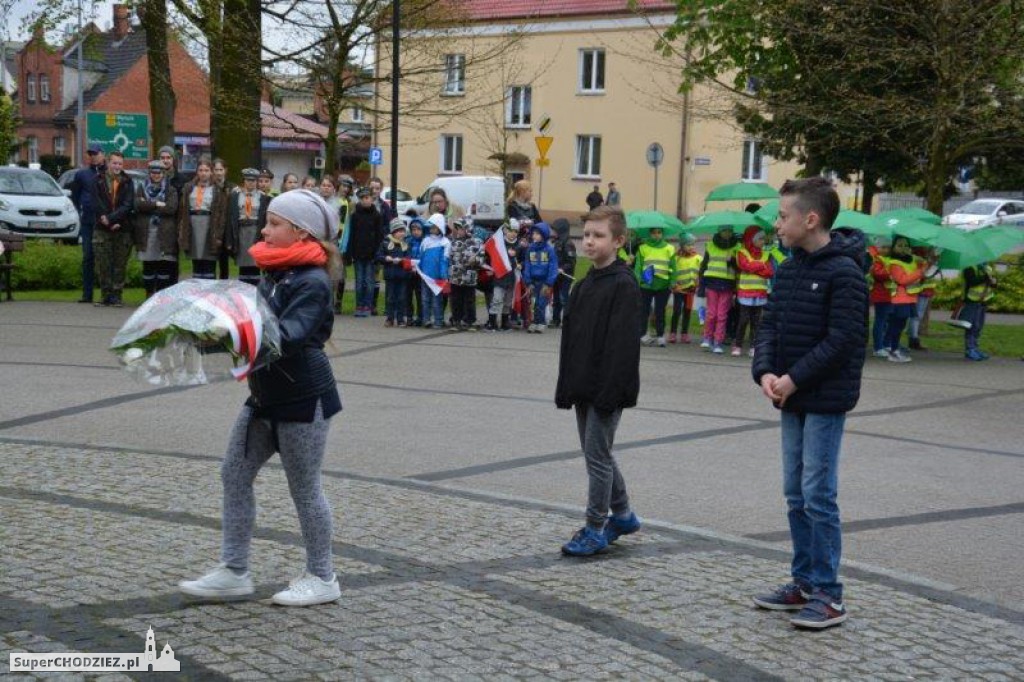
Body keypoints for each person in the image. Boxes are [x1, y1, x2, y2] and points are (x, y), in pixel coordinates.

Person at [179, 189, 344, 607]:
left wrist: (231, 334)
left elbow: (285, 337)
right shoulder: (276, 274)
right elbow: (251, 328)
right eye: (267, 222)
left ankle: (323, 577)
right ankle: (234, 571)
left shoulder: (313, 281)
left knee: (305, 490)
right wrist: (204, 336)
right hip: (264, 395)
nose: (264, 230)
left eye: (274, 223)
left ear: (301, 231)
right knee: (234, 475)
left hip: (304, 399)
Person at [751, 176, 867, 630]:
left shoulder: (845, 272)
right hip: (791, 396)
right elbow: (769, 327)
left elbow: (842, 341)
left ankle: (829, 593)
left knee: (819, 495)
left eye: (783, 216)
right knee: (795, 492)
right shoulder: (789, 268)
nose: (777, 224)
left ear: (810, 218)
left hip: (821, 399)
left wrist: (794, 379)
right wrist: (765, 373)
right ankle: (802, 581)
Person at [554, 205, 642, 556]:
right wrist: (567, 386)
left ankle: (595, 526)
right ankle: (622, 515)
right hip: (583, 384)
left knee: (597, 456)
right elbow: (572, 341)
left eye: (598, 236)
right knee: (598, 453)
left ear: (618, 241)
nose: (589, 242)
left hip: (607, 388)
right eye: (586, 234)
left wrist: (610, 393)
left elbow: (621, 348)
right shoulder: (585, 282)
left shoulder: (623, 285)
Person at [91, 150, 135, 307]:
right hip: (102, 228)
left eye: (120, 163)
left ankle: (117, 296)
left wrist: (113, 220)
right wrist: (106, 219)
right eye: (114, 163)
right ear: (108, 163)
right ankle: (105, 295)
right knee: (103, 264)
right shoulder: (98, 180)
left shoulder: (128, 181)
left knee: (119, 265)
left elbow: (128, 205)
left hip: (122, 229)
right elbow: (95, 202)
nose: (117, 166)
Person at [132, 159, 179, 297]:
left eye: (159, 173)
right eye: (153, 172)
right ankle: (149, 295)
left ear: (163, 173)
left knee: (163, 266)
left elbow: (171, 208)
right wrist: (158, 204)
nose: (156, 175)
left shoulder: (170, 189)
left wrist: (148, 204)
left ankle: (160, 297)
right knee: (149, 266)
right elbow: (137, 205)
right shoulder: (141, 187)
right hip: (147, 232)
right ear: (149, 173)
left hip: (164, 233)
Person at [178, 157, 229, 281]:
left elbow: (222, 214)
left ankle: (209, 290)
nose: (203, 173)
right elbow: (183, 210)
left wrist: (219, 234)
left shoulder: (217, 189)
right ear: (197, 172)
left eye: (206, 170)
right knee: (196, 261)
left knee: (209, 261)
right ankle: (197, 290)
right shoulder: (188, 188)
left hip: (209, 226)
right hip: (193, 225)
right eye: (200, 170)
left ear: (211, 172)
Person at [69, 145, 105, 303]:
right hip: (88, 222)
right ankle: (87, 294)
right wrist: (81, 210)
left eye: (95, 154)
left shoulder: (108, 172)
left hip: (105, 222)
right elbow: (75, 197)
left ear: (103, 154)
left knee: (105, 258)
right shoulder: (82, 174)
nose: (93, 157)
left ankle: (107, 294)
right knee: (88, 257)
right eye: (90, 154)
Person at [344, 186, 385, 317]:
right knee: (359, 281)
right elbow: (352, 235)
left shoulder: (376, 215)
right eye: (363, 198)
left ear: (372, 199)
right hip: (358, 254)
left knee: (369, 281)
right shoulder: (355, 215)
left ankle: (368, 304)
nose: (365, 201)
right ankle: (359, 305)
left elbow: (379, 235)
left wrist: (378, 253)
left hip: (371, 254)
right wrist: (349, 254)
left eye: (368, 198)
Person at [733, 226, 774, 357]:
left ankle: (753, 346)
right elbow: (745, 265)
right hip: (746, 292)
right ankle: (738, 345)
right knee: (743, 320)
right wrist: (761, 266)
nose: (763, 241)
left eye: (764, 239)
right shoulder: (742, 252)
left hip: (760, 293)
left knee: (757, 322)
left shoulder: (766, 254)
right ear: (752, 240)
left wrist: (755, 268)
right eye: (760, 239)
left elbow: (770, 272)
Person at [698, 226, 740, 353]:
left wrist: (732, 261)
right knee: (711, 314)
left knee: (722, 315)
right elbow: (703, 266)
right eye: (724, 231)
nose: (727, 233)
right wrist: (701, 286)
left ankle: (718, 342)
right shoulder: (710, 245)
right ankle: (707, 338)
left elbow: (739, 268)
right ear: (719, 231)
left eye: (729, 231)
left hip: (727, 284)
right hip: (712, 283)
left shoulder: (736, 247)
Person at [883, 236, 923, 363]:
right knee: (896, 325)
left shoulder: (911, 260)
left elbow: (919, 273)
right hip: (899, 300)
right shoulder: (895, 263)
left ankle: (894, 348)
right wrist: (920, 271)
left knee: (900, 325)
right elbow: (902, 280)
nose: (903, 248)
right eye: (899, 245)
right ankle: (893, 350)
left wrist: (930, 262)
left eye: (906, 245)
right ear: (893, 247)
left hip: (909, 299)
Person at [634, 227, 676, 346]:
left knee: (660, 311)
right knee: (644, 310)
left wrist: (673, 281)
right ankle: (642, 334)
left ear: (663, 234)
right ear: (649, 234)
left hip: (663, 285)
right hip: (646, 285)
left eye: (659, 232)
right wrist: (637, 280)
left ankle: (660, 335)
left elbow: (673, 267)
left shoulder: (669, 248)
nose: (656, 235)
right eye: (653, 233)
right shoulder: (643, 248)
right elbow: (638, 266)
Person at [227, 168, 265, 287]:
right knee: (243, 263)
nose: (251, 183)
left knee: (255, 262)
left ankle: (255, 287)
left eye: (253, 181)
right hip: (241, 232)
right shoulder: (235, 195)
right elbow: (230, 217)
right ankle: (243, 287)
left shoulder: (262, 197)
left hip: (255, 231)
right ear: (244, 180)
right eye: (248, 180)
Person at [522, 222, 559, 333]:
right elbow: (527, 264)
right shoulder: (530, 249)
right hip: (533, 281)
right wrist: (527, 281)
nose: (534, 236)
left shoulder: (550, 250)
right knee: (533, 303)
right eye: (533, 234)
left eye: (537, 234)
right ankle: (533, 322)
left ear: (544, 235)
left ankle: (541, 322)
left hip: (544, 282)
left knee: (541, 303)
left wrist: (549, 283)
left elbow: (553, 267)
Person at [447, 217, 484, 330]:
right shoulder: (453, 242)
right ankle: (456, 320)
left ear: (468, 229)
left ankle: (470, 321)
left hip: (469, 277)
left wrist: (476, 260)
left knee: (469, 299)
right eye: (457, 229)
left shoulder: (477, 242)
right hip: (456, 276)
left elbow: (482, 260)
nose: (459, 231)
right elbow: (450, 258)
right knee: (456, 299)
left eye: (461, 228)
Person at [419, 213, 451, 328]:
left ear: (440, 228)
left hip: (437, 278)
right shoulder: (425, 241)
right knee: (425, 299)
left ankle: (438, 320)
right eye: (431, 227)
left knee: (437, 301)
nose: (432, 229)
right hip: (425, 277)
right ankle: (426, 319)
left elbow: (445, 260)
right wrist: (419, 270)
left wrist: (443, 276)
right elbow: (421, 258)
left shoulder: (445, 242)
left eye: (435, 227)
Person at [669, 233, 701, 344]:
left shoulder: (698, 258)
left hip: (690, 291)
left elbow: (700, 272)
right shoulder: (676, 258)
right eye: (688, 245)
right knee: (677, 311)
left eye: (692, 245)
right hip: (679, 289)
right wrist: (674, 284)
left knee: (687, 311)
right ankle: (672, 333)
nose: (691, 247)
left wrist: (698, 283)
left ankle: (684, 333)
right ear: (682, 245)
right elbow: (672, 272)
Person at [961, 262, 996, 361]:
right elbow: (972, 282)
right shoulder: (969, 268)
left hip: (983, 301)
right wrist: (986, 277)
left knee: (979, 326)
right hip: (972, 301)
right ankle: (970, 349)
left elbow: (992, 283)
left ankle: (975, 348)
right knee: (972, 326)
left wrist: (994, 282)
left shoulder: (987, 268)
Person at [378, 217, 410, 327]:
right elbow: (378, 257)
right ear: (393, 232)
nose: (401, 234)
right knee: (390, 297)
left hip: (402, 276)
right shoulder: (386, 243)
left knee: (401, 298)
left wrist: (402, 261)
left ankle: (400, 318)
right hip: (390, 275)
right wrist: (386, 258)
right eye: (399, 231)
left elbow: (409, 259)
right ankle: (390, 318)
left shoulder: (405, 245)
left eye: (403, 231)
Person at [907, 247, 937, 351]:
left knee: (918, 315)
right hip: (920, 289)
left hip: (926, 289)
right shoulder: (919, 254)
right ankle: (913, 339)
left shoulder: (931, 254)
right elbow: (920, 272)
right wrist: (930, 264)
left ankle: (914, 338)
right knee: (916, 315)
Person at [868, 237, 893, 358]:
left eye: (888, 247)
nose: (886, 250)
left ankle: (886, 344)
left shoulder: (889, 259)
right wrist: (892, 272)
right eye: (883, 247)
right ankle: (878, 347)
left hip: (890, 294)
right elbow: (878, 274)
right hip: (881, 295)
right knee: (880, 321)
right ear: (878, 248)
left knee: (888, 320)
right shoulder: (877, 260)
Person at [550, 218, 577, 328]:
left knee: (563, 298)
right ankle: (555, 319)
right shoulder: (556, 242)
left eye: (555, 230)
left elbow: (572, 262)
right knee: (556, 298)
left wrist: (562, 268)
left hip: (565, 276)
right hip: (556, 276)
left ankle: (567, 320)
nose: (553, 232)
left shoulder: (568, 244)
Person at [213, 159, 236, 280]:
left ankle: (224, 288)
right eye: (216, 170)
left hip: (226, 229)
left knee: (224, 263)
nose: (218, 173)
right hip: (212, 228)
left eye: (220, 170)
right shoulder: (210, 187)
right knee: (210, 263)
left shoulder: (232, 188)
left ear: (225, 171)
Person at [405, 218, 426, 326]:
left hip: (420, 273)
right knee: (407, 295)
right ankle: (409, 315)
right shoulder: (408, 241)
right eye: (413, 229)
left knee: (420, 295)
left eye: (418, 229)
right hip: (409, 272)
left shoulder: (425, 241)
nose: (415, 232)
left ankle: (421, 316)